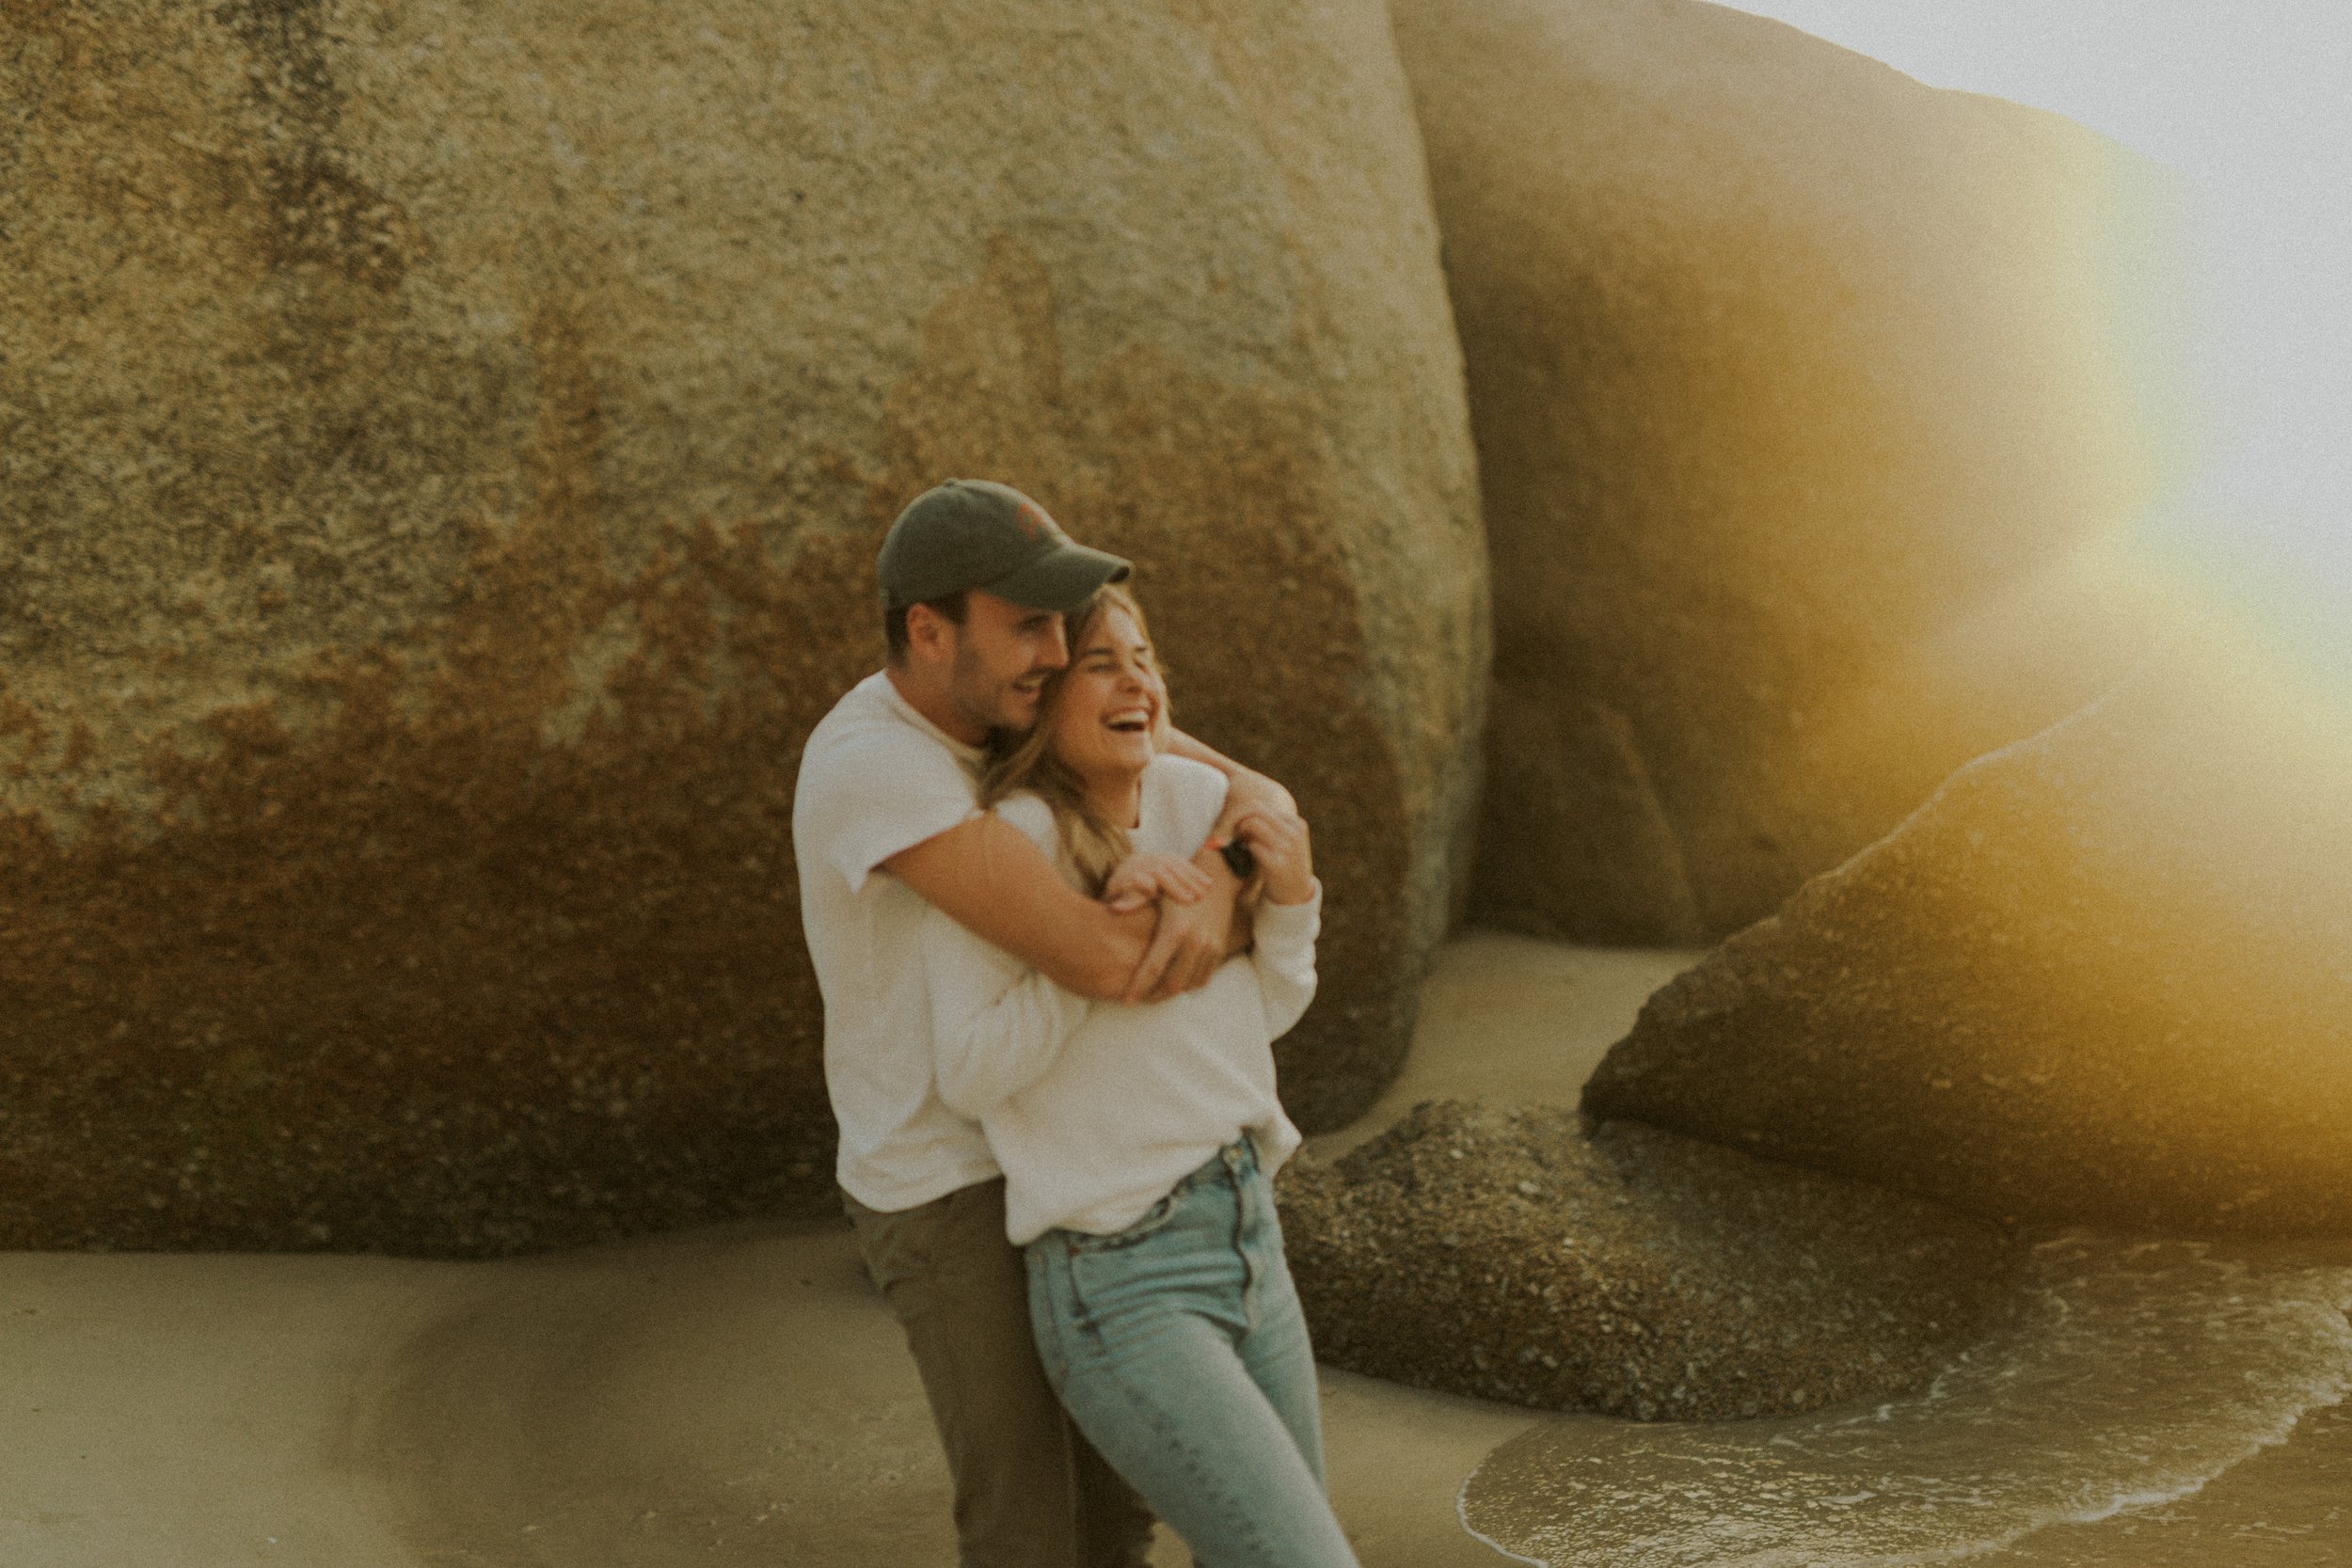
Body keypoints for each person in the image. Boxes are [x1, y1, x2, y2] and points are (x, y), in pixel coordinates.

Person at [791, 479, 1295, 1568]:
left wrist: (1241, 837)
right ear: (928, 631)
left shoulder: (1014, 705)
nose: (1056, 652)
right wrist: (1227, 871)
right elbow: (1107, 953)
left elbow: (1249, 792)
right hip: (947, 1182)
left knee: (1116, 1518)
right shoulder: (875, 765)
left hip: (1067, 1155)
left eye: (1065, 624)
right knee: (1033, 1529)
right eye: (1025, 625)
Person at [922, 583, 1359, 1568]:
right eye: (1101, 662)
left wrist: (1288, 902)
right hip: (1122, 1281)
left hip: (1250, 1234)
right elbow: (970, 1070)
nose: (1137, 682)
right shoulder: (1012, 843)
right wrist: (1094, 954)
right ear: (1042, 695)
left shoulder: (1198, 804)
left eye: (1146, 657)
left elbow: (1264, 1013)